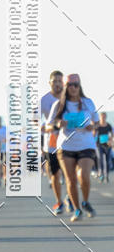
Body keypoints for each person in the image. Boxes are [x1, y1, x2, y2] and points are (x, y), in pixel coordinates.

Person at [46, 74, 98, 222]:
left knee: (84, 176)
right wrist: (57, 124)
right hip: (66, 146)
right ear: (65, 87)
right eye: (70, 85)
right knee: (70, 180)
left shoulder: (88, 103)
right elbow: (48, 125)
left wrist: (91, 127)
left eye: (76, 84)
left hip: (86, 144)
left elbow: (96, 123)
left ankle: (85, 201)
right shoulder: (59, 105)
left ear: (79, 86)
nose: (73, 88)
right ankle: (77, 209)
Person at [41, 70, 68, 214]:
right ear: (50, 83)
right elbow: (34, 119)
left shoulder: (70, 98)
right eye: (55, 81)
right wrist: (40, 127)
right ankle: (59, 202)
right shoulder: (44, 100)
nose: (57, 84)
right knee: (56, 174)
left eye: (60, 81)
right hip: (51, 142)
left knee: (70, 174)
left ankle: (70, 196)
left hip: (69, 142)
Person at [95, 112, 113, 183]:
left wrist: (110, 140)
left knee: (107, 161)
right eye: (102, 116)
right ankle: (101, 175)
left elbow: (112, 134)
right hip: (99, 145)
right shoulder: (97, 126)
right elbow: (94, 134)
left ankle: (107, 176)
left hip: (108, 145)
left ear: (106, 117)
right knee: (100, 160)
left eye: (104, 116)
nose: (103, 118)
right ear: (99, 117)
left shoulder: (108, 125)